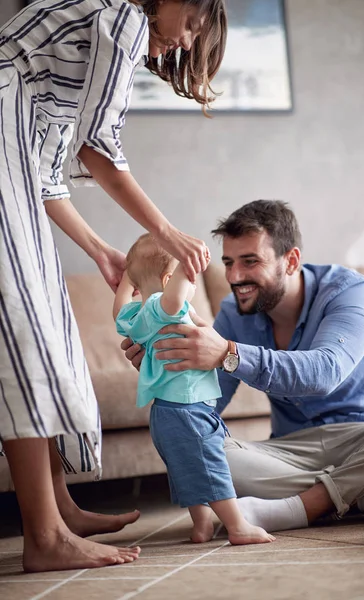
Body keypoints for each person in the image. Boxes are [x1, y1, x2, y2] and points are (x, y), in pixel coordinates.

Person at [0, 0, 227, 572]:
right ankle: (45, 535)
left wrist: (101, 249)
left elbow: (47, 173)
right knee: (25, 334)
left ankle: (59, 511)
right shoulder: (123, 16)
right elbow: (100, 147)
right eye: (193, 25)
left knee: (41, 329)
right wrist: (165, 231)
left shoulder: (55, 75)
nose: (183, 43)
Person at [122, 200, 364, 533]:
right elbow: (207, 405)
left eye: (250, 262)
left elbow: (325, 372)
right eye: (228, 263)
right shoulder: (232, 312)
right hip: (291, 451)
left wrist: (228, 352)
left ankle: (307, 506)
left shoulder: (348, 292)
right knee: (201, 452)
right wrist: (171, 371)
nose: (235, 277)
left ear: (291, 260)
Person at [113, 234, 275, 545]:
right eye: (187, 280)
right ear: (170, 279)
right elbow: (174, 298)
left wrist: (126, 280)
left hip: (164, 411)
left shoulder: (136, 317)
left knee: (188, 468)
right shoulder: (165, 308)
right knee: (211, 466)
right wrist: (190, 263)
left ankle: (201, 526)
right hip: (189, 408)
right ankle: (238, 526)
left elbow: (118, 310)